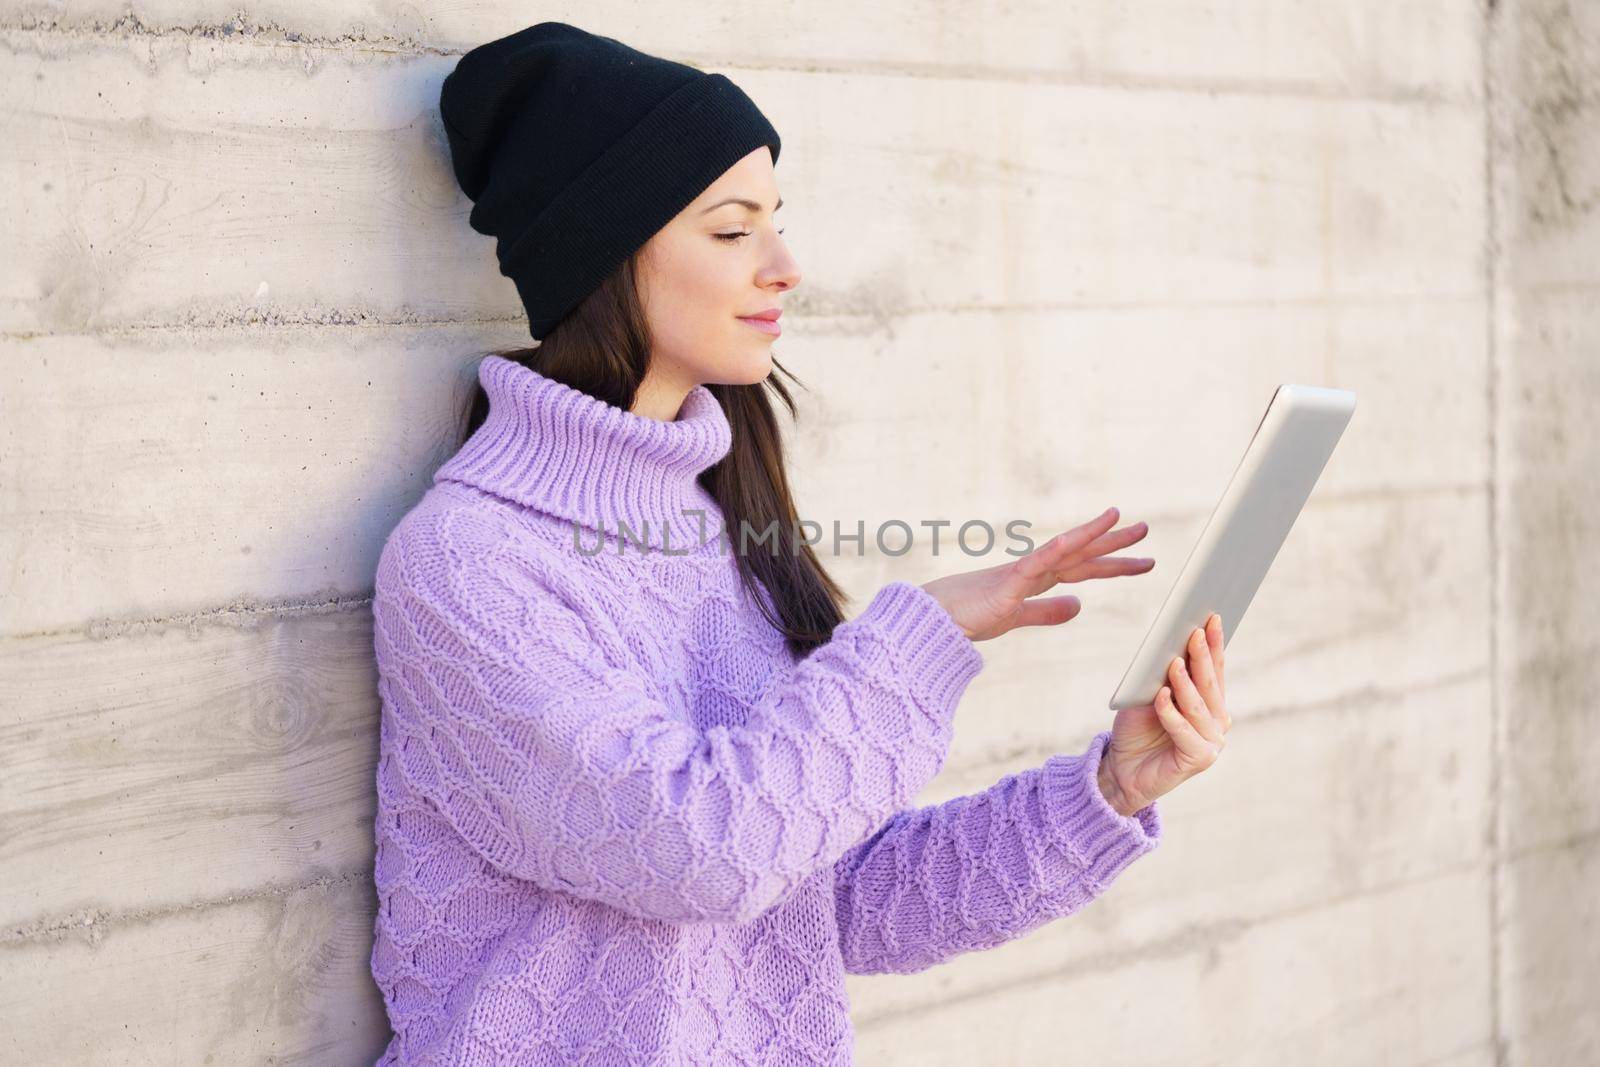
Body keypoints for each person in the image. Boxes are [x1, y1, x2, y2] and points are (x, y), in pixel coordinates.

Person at [368, 21, 1230, 1066]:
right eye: (732, 231)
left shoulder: (721, 528)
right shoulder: (466, 566)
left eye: (776, 224)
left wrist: (1112, 787)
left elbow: (840, 897)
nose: (785, 266)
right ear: (603, 252)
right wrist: (922, 634)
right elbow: (701, 848)